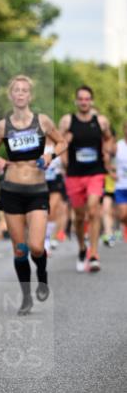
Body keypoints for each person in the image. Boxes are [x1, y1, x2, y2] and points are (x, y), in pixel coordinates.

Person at [0, 75, 67, 315]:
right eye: (16, 90)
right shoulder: (3, 126)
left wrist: (51, 156)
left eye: (24, 91)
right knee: (20, 249)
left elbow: (62, 143)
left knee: (36, 247)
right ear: (11, 95)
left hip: (37, 190)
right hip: (11, 191)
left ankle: (42, 275)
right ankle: (26, 296)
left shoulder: (42, 121)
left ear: (30, 96)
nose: (20, 94)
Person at [59, 86, 113, 272]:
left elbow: (108, 138)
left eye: (87, 99)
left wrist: (107, 151)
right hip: (74, 174)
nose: (84, 102)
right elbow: (60, 143)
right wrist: (65, 161)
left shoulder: (101, 121)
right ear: (76, 101)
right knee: (79, 217)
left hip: (95, 172)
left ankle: (94, 254)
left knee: (94, 209)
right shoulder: (67, 121)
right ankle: (82, 247)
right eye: (80, 99)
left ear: (92, 101)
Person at [114, 120, 127, 240]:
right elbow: (107, 160)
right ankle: (124, 225)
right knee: (123, 214)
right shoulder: (118, 145)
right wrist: (111, 172)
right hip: (121, 185)